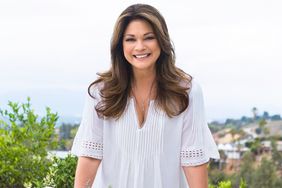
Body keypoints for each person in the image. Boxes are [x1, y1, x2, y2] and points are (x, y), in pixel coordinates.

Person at [71, 3, 219, 188]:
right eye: (131, 39)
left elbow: (194, 162)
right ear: (120, 45)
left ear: (161, 41)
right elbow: (90, 156)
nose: (140, 47)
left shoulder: (187, 91)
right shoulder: (101, 91)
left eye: (149, 38)